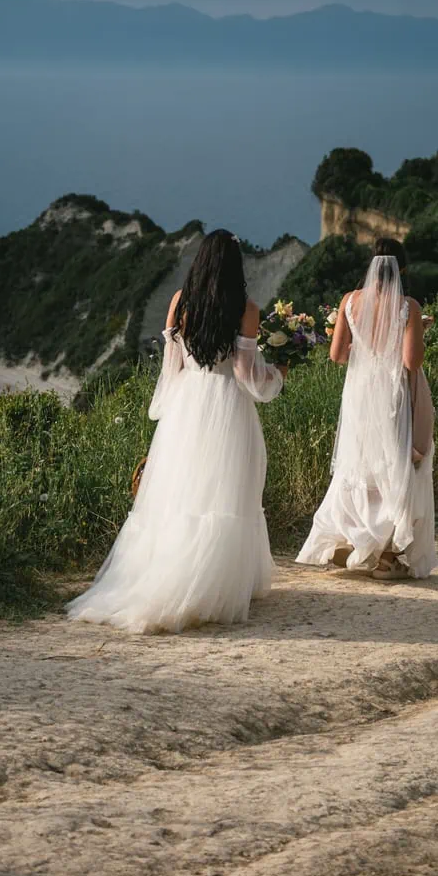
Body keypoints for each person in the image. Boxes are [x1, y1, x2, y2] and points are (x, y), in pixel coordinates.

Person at [67, 230, 285, 632]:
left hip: (187, 405)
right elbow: (245, 375)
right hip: (225, 407)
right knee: (225, 491)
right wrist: (277, 376)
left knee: (182, 493)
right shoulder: (246, 309)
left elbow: (172, 367)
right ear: (236, 267)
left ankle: (166, 575)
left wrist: (167, 409)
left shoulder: (179, 303)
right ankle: (215, 584)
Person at [295, 238, 437, 580]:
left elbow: (337, 355)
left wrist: (362, 342)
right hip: (392, 394)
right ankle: (388, 556)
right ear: (401, 269)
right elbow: (410, 361)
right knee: (395, 464)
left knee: (358, 464)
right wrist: (420, 330)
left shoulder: (349, 301)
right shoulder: (408, 306)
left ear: (372, 266)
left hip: (359, 393)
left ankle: (350, 539)